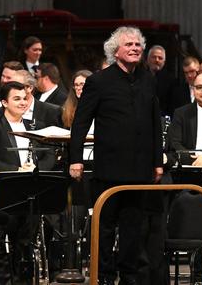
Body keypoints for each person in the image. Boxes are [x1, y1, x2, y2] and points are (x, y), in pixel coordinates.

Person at [69, 27, 162, 285]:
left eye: (138, 44)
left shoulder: (147, 79)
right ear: (115, 51)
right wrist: (75, 158)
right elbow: (80, 122)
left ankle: (129, 276)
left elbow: (155, 121)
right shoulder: (99, 81)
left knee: (134, 227)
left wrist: (158, 162)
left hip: (141, 168)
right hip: (109, 168)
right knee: (105, 226)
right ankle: (105, 276)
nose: (135, 48)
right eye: (129, 44)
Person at [0, 81, 55, 284]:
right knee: (3, 241)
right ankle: (3, 280)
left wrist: (37, 171)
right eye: (16, 98)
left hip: (31, 191)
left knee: (26, 241)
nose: (22, 102)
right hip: (6, 190)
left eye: (24, 98)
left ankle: (25, 280)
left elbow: (50, 155)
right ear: (4, 102)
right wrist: (16, 171)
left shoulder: (35, 127)